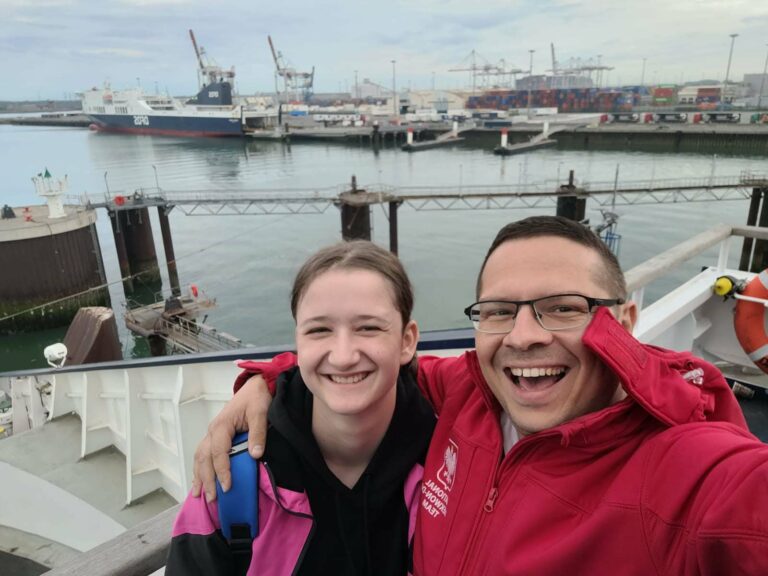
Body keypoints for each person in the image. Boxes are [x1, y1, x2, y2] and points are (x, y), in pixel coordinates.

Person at [195, 216, 768, 575]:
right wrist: (268, 381)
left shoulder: (685, 469)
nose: (523, 336)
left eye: (563, 307)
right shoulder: (470, 390)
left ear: (625, 322)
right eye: (498, 312)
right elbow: (362, 363)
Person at [167, 241, 435, 575]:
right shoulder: (229, 480)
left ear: (407, 341)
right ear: (298, 341)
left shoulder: (452, 468)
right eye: (319, 330)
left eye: (368, 328)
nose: (343, 356)